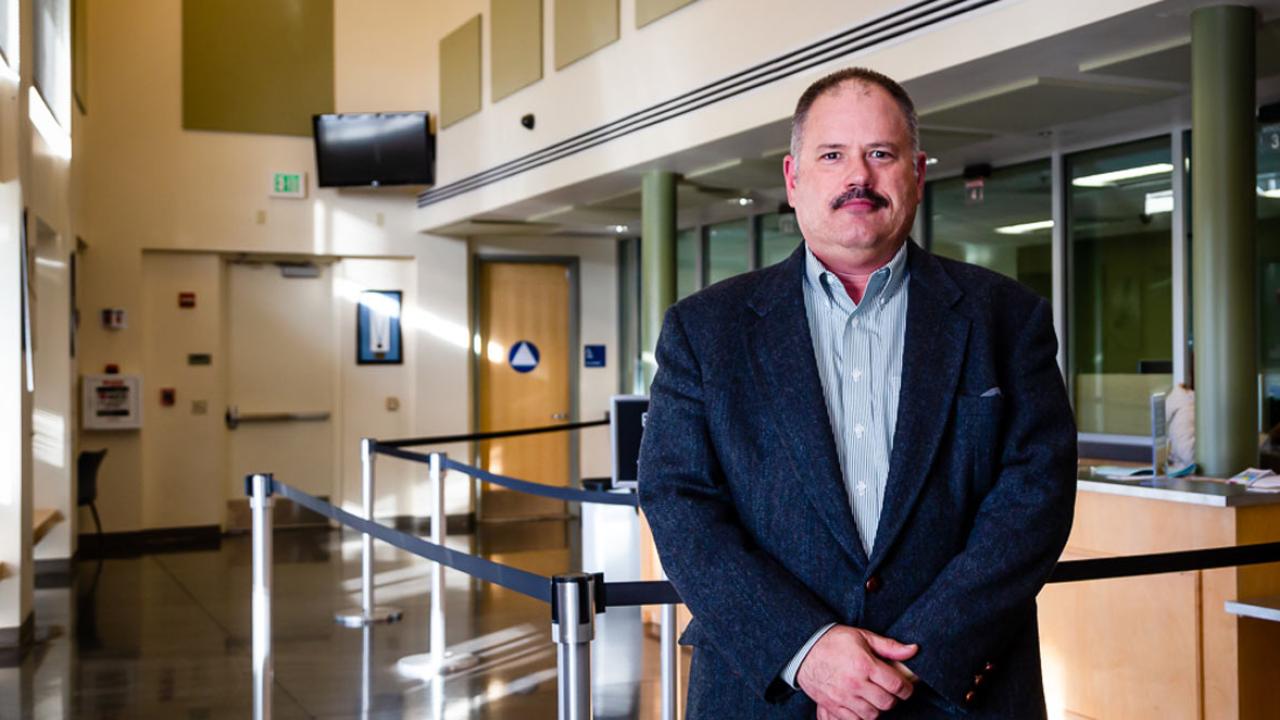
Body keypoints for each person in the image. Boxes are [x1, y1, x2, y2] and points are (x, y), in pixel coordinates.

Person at [638, 67, 1077, 719]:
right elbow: (678, 502)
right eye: (832, 155)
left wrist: (914, 661)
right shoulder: (704, 330)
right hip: (768, 694)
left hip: (958, 693)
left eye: (880, 154)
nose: (858, 177)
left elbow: (1035, 497)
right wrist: (807, 651)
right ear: (793, 178)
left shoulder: (1008, 319)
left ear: (916, 174)